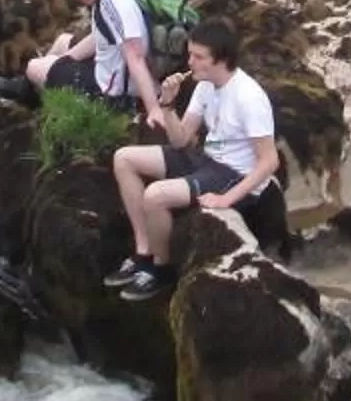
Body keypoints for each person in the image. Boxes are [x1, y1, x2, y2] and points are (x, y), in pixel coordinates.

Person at [106, 19, 279, 301]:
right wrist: (168, 104)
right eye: (190, 54)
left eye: (198, 57)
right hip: (206, 159)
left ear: (221, 59)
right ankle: (143, 251)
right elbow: (180, 139)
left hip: (231, 172)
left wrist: (226, 199)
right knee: (123, 158)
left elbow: (269, 162)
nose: (190, 62)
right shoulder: (205, 86)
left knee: (155, 196)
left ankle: (161, 270)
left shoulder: (249, 97)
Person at [21, 0, 165, 131]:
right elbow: (99, 36)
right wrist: (64, 60)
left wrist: (154, 109)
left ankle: (33, 100)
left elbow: (134, 56)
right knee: (62, 41)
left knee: (33, 67)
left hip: (113, 94)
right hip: (113, 70)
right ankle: (31, 89)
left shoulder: (112, 3)